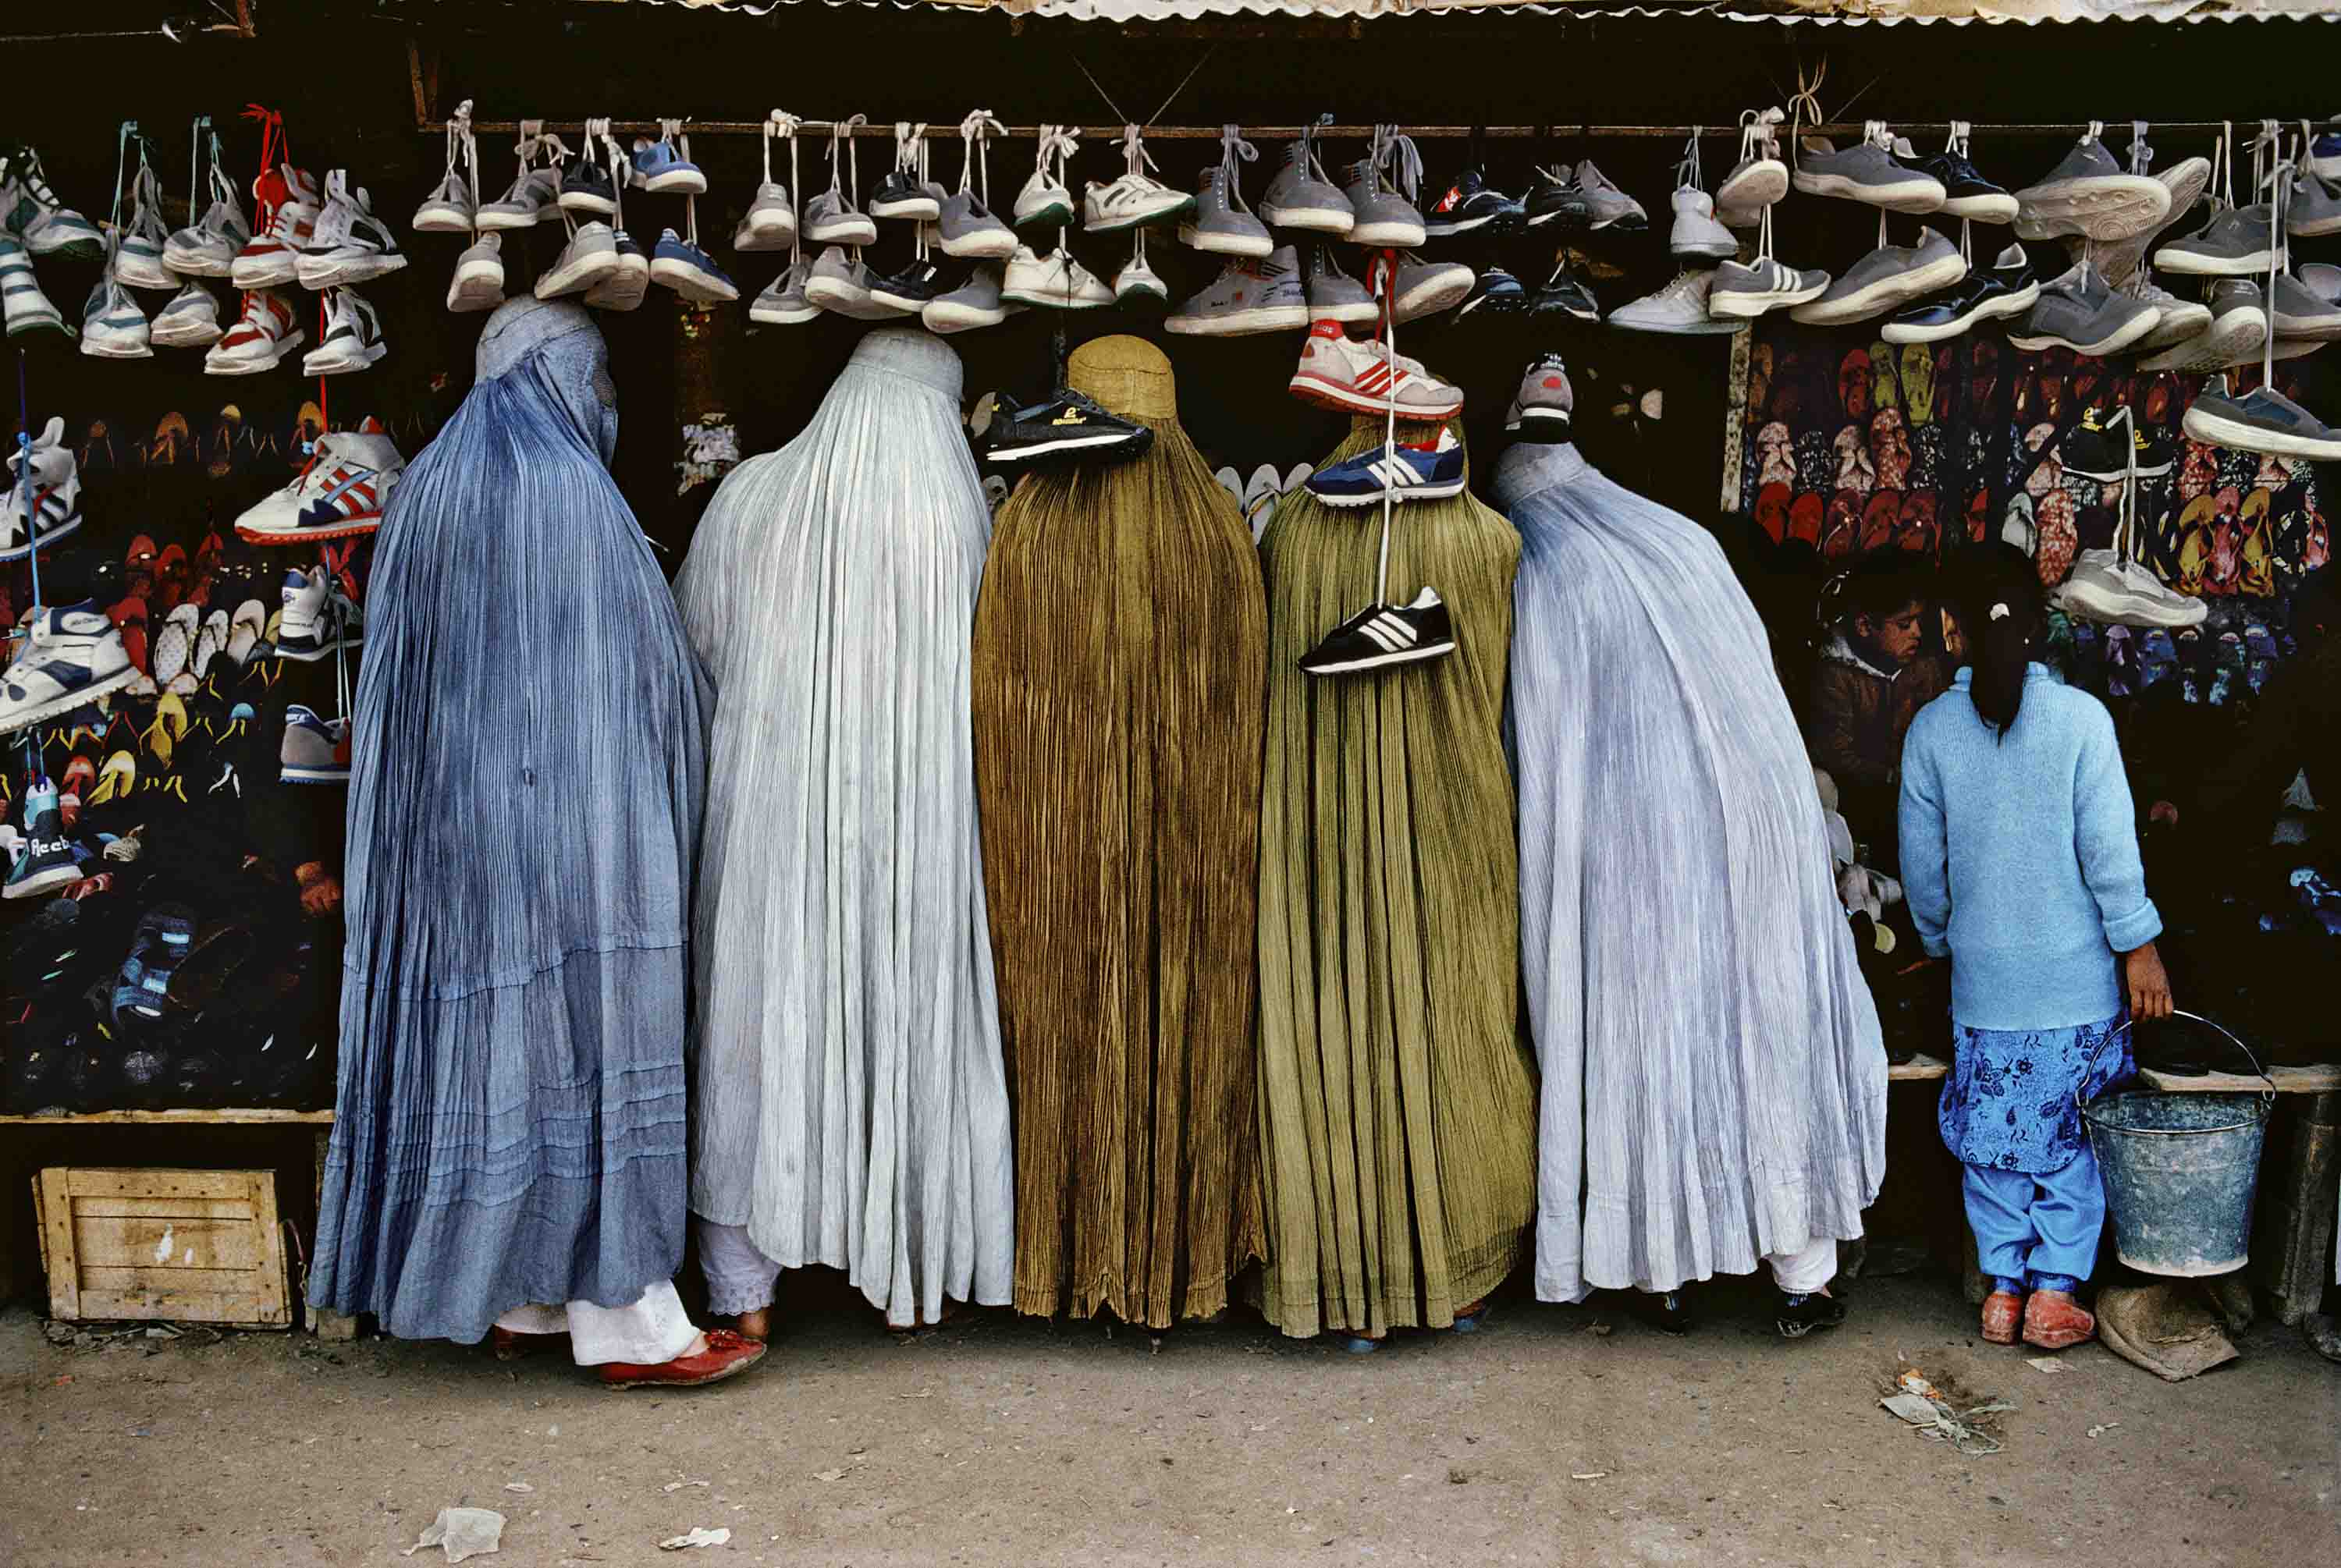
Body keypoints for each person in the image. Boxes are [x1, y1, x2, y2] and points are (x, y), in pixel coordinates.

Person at [1899, 560, 2175, 1354]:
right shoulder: (2083, 721)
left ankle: (2001, 1292)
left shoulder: (1930, 733)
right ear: (2039, 626)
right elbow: (2110, 854)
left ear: (1952, 627)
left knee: (1995, 1138)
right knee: (2072, 1140)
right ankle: (2055, 1292)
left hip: (1987, 989)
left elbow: (1925, 869)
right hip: (2079, 987)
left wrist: (1940, 942)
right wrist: (2140, 945)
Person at [1806, 552, 1952, 859]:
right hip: (1858, 809)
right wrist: (1892, 777)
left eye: (1917, 621)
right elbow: (1834, 754)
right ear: (1863, 626)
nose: (1917, 632)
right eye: (1904, 624)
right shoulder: (1836, 675)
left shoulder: (1922, 670)